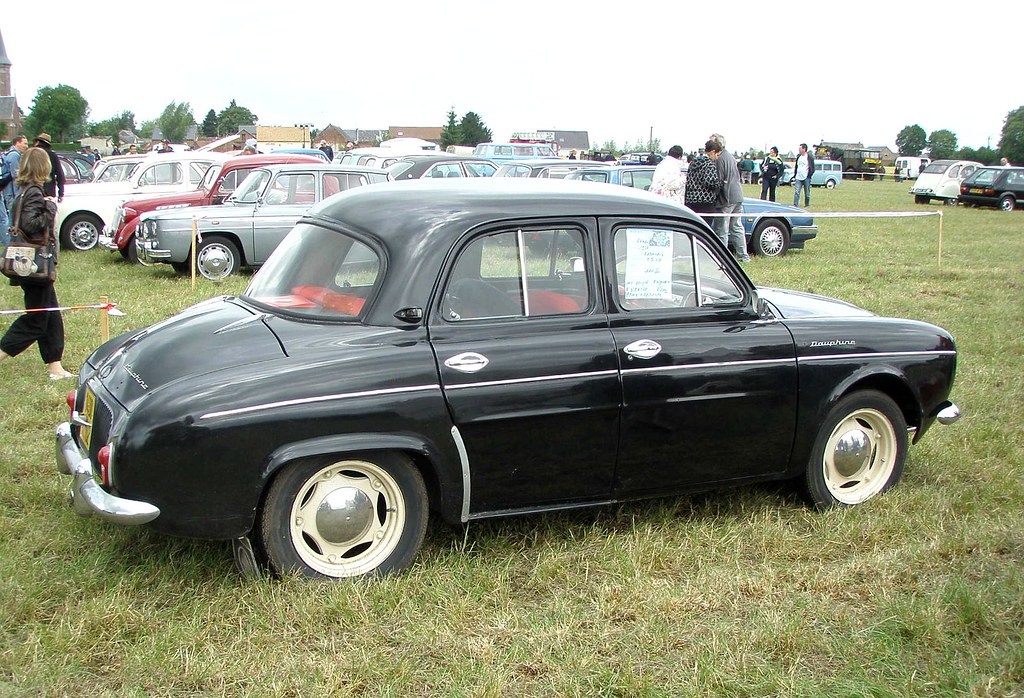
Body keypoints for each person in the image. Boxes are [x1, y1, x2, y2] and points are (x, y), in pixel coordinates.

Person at [0, 147, 73, 380]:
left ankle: (55, 367)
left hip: (28, 264)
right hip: (33, 264)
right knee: (36, 321)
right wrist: (50, 207)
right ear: (44, 167)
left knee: (51, 314)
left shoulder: (23, 191)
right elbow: (31, 225)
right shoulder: (33, 193)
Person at [709, 133, 748, 262]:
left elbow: (719, 181)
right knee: (736, 227)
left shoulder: (720, 159)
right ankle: (743, 256)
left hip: (727, 198)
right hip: (737, 196)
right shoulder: (730, 157)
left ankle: (722, 258)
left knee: (722, 229)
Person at [685, 140, 722, 224]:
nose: (717, 157)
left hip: (690, 200)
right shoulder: (709, 164)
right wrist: (720, 183)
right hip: (705, 202)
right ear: (713, 152)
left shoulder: (693, 162)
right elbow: (710, 182)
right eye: (717, 154)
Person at [32, 133, 65, 202]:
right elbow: (60, 175)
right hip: (49, 191)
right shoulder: (53, 155)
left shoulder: (31, 154)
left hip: (33, 190)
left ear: (38, 142)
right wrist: (61, 193)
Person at [793, 143, 815, 207]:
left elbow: (812, 168)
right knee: (797, 192)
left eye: (800, 148)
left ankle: (807, 204)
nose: (799, 150)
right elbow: (796, 167)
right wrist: (795, 175)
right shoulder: (798, 157)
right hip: (798, 177)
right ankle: (795, 204)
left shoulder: (809, 157)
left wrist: (809, 175)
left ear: (804, 149)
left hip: (806, 178)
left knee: (807, 193)